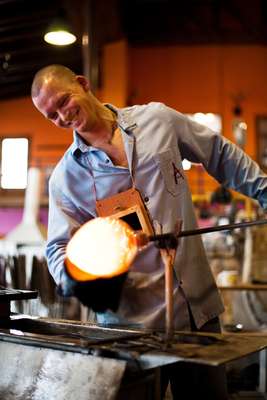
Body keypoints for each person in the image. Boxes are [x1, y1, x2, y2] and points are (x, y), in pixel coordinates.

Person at [31, 64, 267, 399]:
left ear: (82, 84)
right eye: (51, 115)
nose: (62, 117)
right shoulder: (65, 179)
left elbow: (219, 154)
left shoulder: (157, 120)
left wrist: (263, 190)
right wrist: (73, 277)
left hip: (194, 312)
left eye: (63, 101)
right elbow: (57, 248)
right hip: (127, 328)